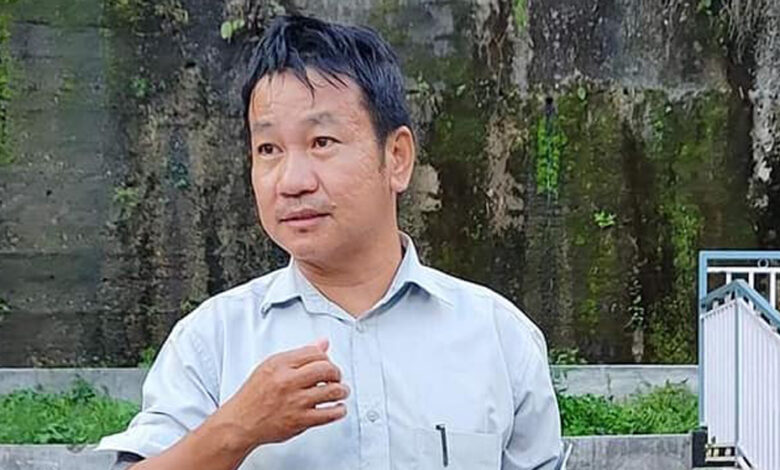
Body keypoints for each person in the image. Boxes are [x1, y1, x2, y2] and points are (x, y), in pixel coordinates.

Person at [96, 14, 563, 470]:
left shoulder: (499, 338)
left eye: (321, 142)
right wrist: (236, 429)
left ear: (397, 158)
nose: (292, 182)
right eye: (268, 149)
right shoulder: (211, 341)